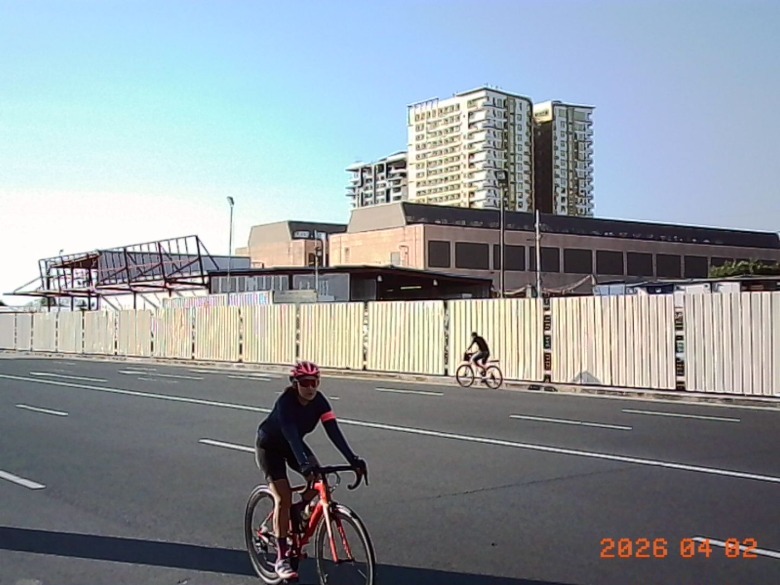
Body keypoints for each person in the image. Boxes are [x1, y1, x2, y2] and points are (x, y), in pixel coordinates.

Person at [254, 360, 367, 580]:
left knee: (320, 480)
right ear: (295, 383)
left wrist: (353, 458)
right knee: (283, 498)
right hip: (270, 446)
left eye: (315, 382)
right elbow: (291, 435)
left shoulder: (320, 402)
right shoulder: (286, 403)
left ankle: (299, 509)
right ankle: (282, 558)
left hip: (293, 444)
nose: (311, 387)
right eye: (305, 382)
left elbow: (333, 431)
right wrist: (304, 464)